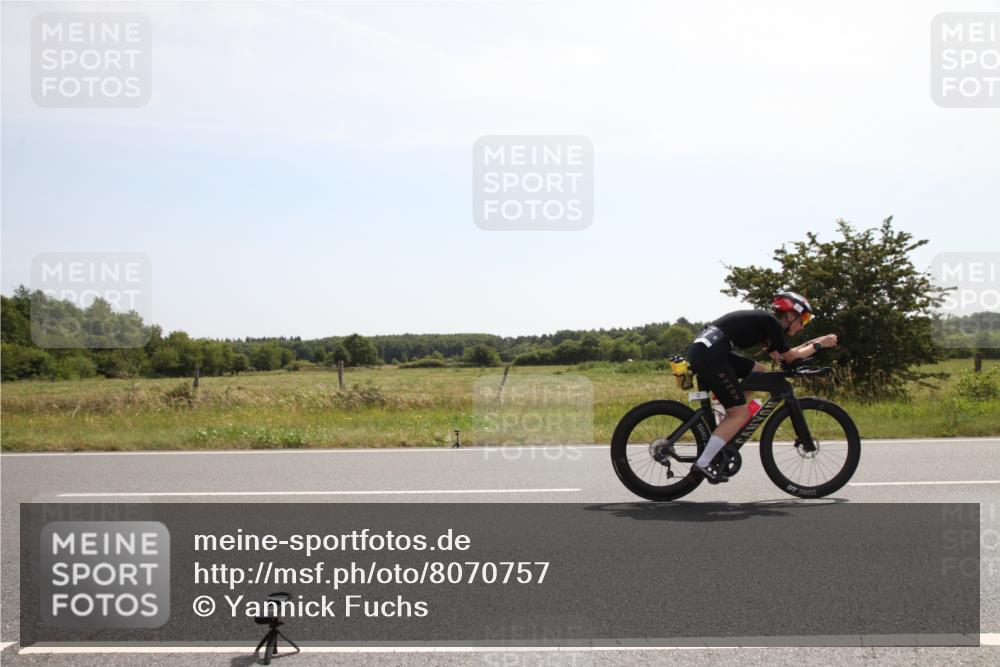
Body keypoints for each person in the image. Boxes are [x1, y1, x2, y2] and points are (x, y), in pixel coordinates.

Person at [685, 291, 838, 483]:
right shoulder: (771, 323)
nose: (802, 326)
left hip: (709, 350)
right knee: (740, 414)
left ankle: (725, 419)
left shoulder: (767, 324)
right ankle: (704, 462)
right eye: (803, 320)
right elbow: (792, 357)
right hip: (711, 354)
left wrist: (809, 346)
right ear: (790, 315)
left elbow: (784, 356)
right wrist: (820, 344)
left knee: (758, 371)